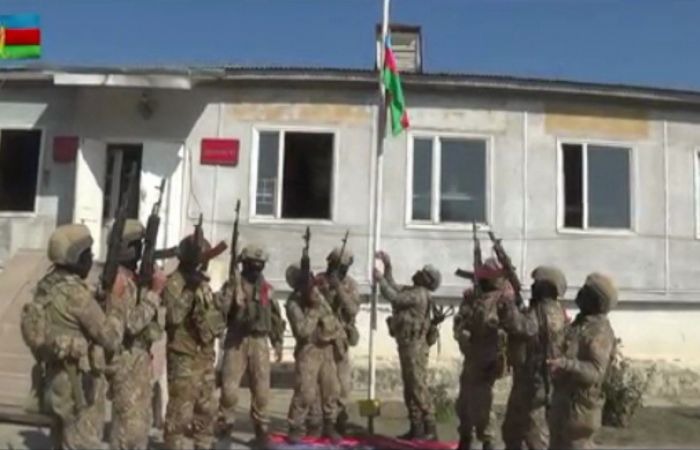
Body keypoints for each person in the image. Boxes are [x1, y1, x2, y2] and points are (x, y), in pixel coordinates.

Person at [39, 224, 127, 449]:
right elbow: (111, 338)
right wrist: (116, 301)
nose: (91, 258)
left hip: (56, 384)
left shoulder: (46, 287)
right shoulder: (78, 296)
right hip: (80, 391)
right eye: (87, 253)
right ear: (75, 257)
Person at [162, 233, 228, 450]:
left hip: (204, 355)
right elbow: (173, 317)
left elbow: (211, 315)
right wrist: (189, 290)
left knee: (207, 409)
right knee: (180, 411)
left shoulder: (202, 283)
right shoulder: (174, 282)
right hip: (183, 355)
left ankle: (204, 444)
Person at [107, 219, 167, 450]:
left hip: (138, 360)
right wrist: (154, 293)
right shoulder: (117, 280)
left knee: (140, 428)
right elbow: (131, 324)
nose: (140, 250)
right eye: (137, 245)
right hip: (126, 362)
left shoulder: (131, 278)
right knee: (127, 432)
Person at [218, 244, 285, 446]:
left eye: (260, 265)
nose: (256, 269)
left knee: (262, 391)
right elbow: (221, 311)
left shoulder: (266, 289)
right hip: (236, 340)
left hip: (259, 341)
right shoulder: (233, 285)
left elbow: (275, 317)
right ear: (244, 264)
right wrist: (232, 295)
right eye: (252, 265)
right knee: (229, 391)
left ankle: (261, 430)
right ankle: (225, 429)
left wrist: (277, 341)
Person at [499, 266, 569, 450]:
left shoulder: (547, 312)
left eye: (536, 284)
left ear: (546, 288)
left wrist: (509, 302)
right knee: (512, 430)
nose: (532, 287)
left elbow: (521, 327)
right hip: (528, 381)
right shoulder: (546, 309)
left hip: (537, 384)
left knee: (534, 434)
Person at [374, 251, 441, 441]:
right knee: (410, 387)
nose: (417, 273)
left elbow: (394, 297)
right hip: (407, 345)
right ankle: (416, 427)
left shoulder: (419, 295)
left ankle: (430, 426)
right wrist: (387, 267)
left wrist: (379, 279)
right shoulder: (413, 291)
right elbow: (394, 286)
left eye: (422, 273)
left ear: (426, 280)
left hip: (415, 347)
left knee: (417, 386)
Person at [547, 273, 617, 450]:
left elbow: (595, 372)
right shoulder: (581, 324)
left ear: (596, 301)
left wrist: (566, 365)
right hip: (563, 407)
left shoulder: (598, 331)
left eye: (585, 291)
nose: (579, 293)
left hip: (580, 412)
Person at [453, 257, 511, 450]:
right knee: (464, 402)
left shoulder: (503, 299)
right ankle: (465, 439)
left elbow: (504, 328)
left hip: (489, 358)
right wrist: (462, 329)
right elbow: (462, 322)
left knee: (483, 404)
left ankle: (488, 442)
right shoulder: (476, 298)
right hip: (472, 356)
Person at [285, 263, 343, 444]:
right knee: (306, 391)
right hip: (308, 349)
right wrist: (314, 309)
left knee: (331, 389)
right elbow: (302, 331)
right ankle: (295, 426)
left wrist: (338, 341)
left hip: (326, 348)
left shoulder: (318, 295)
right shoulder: (293, 303)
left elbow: (331, 317)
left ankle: (330, 425)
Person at [306, 247, 361, 435]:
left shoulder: (350, 285)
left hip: (339, 340)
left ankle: (339, 418)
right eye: (335, 266)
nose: (337, 271)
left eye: (342, 268)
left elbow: (352, 310)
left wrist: (338, 288)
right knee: (318, 383)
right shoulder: (319, 280)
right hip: (320, 339)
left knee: (342, 385)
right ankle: (316, 420)